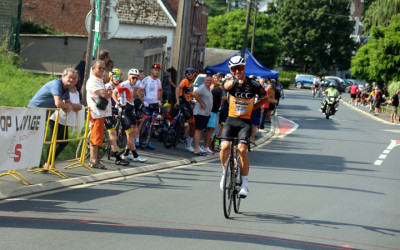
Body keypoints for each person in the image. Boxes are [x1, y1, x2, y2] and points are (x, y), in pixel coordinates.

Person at [219, 56, 270, 198]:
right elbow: (225, 87)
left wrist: (254, 107)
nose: (237, 71)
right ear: (230, 70)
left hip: (245, 122)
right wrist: (235, 80)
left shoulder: (253, 84)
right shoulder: (230, 82)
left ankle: (245, 184)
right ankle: (224, 173)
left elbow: (265, 97)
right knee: (224, 147)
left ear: (244, 68)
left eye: (240, 68)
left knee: (242, 150)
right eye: (234, 69)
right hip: (231, 120)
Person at [28, 68, 75, 170]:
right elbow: (58, 103)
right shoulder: (56, 84)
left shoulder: (66, 88)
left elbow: (68, 103)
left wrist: (67, 105)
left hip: (44, 114)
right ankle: (32, 163)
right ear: (63, 76)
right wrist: (66, 106)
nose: (71, 80)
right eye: (69, 77)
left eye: (73, 78)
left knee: (43, 138)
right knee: (32, 138)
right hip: (33, 112)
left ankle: (41, 162)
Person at [44, 70, 83, 168]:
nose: (72, 80)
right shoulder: (63, 89)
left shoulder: (76, 91)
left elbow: (78, 106)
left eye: (75, 79)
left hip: (66, 119)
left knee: (63, 141)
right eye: (70, 78)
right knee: (55, 140)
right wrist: (72, 106)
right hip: (58, 117)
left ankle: (50, 162)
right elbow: (68, 105)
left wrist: (72, 106)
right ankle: (47, 163)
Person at [112, 68, 147, 162]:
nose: (135, 80)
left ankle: (126, 153)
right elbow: (114, 92)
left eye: (136, 78)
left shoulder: (131, 86)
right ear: (129, 77)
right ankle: (135, 155)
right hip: (124, 110)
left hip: (130, 110)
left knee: (135, 132)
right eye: (133, 78)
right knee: (130, 133)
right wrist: (118, 103)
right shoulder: (125, 84)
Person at [86, 60, 113, 169]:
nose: (102, 70)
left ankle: (95, 159)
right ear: (93, 69)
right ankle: (93, 160)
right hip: (95, 113)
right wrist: (109, 93)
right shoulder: (93, 81)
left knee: (99, 136)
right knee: (95, 136)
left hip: (101, 113)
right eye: (99, 68)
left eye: (103, 68)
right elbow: (104, 94)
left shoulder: (99, 80)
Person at [104, 68, 130, 166]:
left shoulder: (118, 88)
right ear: (111, 77)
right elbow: (106, 100)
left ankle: (115, 151)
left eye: (119, 77)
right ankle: (117, 157)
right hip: (107, 113)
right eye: (115, 76)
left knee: (115, 132)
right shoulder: (108, 87)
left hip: (114, 112)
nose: (117, 78)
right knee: (113, 135)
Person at [137, 63, 163, 150]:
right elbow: (138, 92)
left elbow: (160, 91)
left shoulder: (159, 81)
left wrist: (159, 100)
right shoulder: (146, 79)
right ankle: (137, 139)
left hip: (155, 104)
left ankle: (148, 140)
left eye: (158, 70)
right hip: (147, 104)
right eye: (155, 70)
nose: (157, 72)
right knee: (143, 121)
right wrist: (143, 101)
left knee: (152, 124)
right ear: (152, 70)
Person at [202, 73, 224, 154]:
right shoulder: (216, 90)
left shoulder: (218, 90)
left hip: (214, 112)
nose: (220, 80)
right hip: (211, 112)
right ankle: (205, 146)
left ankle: (207, 146)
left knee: (211, 129)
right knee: (210, 130)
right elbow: (211, 100)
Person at [175, 67, 196, 152]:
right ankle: (187, 143)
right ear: (186, 75)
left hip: (187, 102)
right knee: (193, 123)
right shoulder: (185, 81)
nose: (190, 75)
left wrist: (191, 100)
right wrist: (177, 101)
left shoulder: (191, 83)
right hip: (183, 102)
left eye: (192, 74)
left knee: (188, 121)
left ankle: (183, 136)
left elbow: (189, 94)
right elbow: (177, 88)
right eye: (189, 74)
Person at [192, 75, 213, 155]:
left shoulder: (208, 89)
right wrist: (201, 103)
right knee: (198, 130)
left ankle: (198, 147)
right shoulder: (202, 87)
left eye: (210, 80)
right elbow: (195, 93)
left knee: (201, 130)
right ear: (204, 81)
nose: (209, 82)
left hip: (205, 114)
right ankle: (196, 148)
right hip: (201, 113)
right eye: (207, 80)